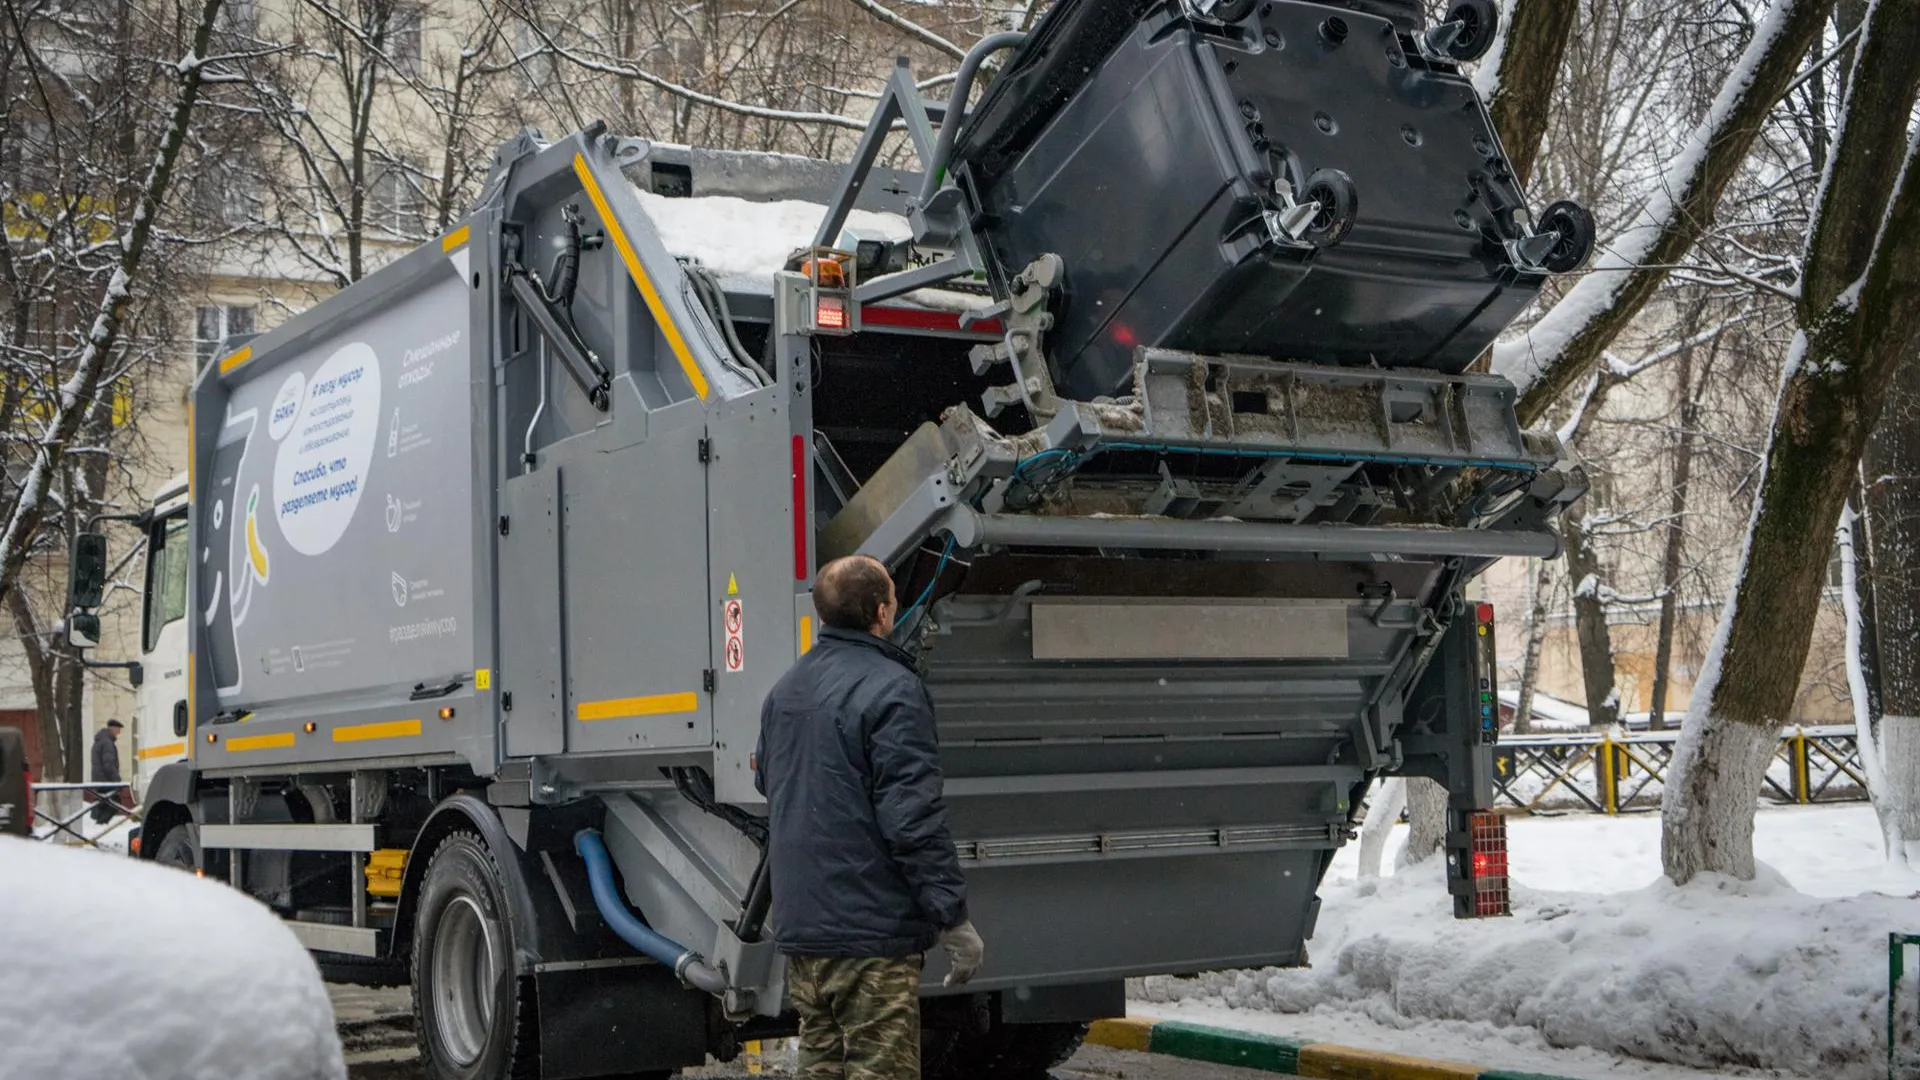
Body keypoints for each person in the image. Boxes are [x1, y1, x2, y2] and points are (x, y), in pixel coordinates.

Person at [755, 554, 985, 1080]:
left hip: (806, 933)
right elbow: (913, 819)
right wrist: (952, 918)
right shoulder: (893, 690)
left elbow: (771, 784)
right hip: (871, 938)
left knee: (823, 1068)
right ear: (882, 613)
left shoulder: (784, 692)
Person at [89, 719, 124, 825]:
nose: (119, 732)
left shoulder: (99, 741)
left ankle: (96, 822)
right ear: (112, 728)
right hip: (106, 780)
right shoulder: (107, 743)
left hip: (98, 779)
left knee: (102, 802)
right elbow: (109, 764)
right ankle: (100, 824)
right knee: (114, 802)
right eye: (118, 729)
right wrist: (117, 780)